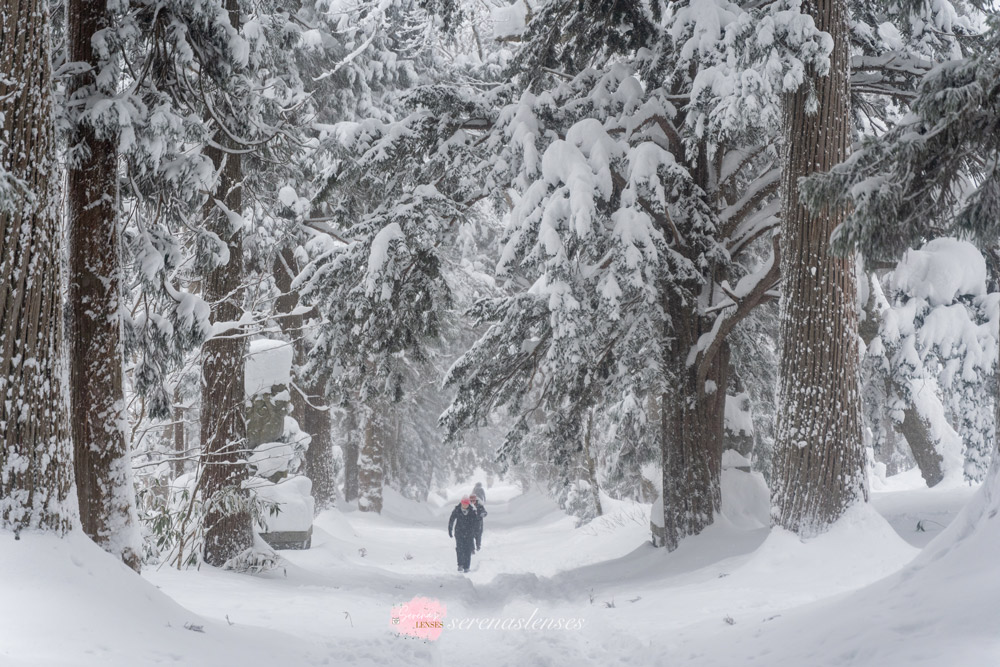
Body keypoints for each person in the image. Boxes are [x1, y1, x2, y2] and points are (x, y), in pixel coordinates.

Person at [448, 496, 479, 573]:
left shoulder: (472, 511)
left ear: (468, 504)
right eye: (463, 504)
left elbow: (476, 523)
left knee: (467, 550)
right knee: (459, 549)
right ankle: (460, 565)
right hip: (459, 533)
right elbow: (451, 519)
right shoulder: (457, 510)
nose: (465, 505)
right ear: (461, 503)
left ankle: (466, 566)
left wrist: (475, 533)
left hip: (469, 534)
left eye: (466, 504)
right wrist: (450, 529)